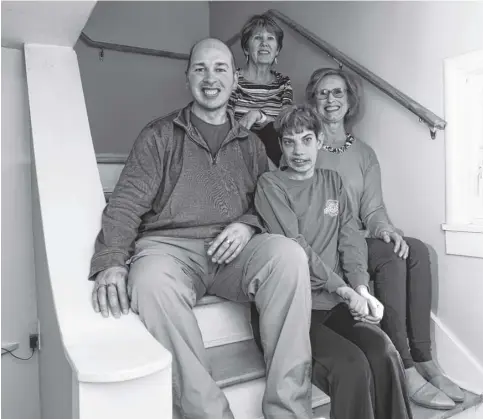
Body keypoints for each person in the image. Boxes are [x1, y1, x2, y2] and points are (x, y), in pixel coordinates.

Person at [88, 38, 314, 419]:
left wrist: (247, 224)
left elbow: (273, 201)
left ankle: (289, 410)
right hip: (171, 249)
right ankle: (207, 413)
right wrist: (111, 259)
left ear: (234, 80)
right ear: (187, 77)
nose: (211, 78)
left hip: (234, 249)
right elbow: (125, 202)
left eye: (221, 68)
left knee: (290, 257)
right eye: (201, 69)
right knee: (148, 280)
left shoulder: (252, 145)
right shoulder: (158, 135)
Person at [306, 67, 464, 410]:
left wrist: (387, 230)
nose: (330, 100)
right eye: (322, 93)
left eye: (338, 93)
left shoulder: (364, 153)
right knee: (390, 259)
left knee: (416, 250)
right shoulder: (306, 146)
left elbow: (373, 209)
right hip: (328, 242)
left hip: (359, 235)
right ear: (313, 102)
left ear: (350, 102)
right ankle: (403, 368)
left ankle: (426, 360)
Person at [253, 104, 413, 419]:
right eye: (289, 141)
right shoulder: (271, 186)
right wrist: (344, 290)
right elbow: (295, 246)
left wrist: (362, 288)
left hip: (335, 303)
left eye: (306, 139)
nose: (298, 150)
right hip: (292, 310)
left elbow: (350, 236)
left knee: (385, 353)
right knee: (351, 366)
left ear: (320, 140)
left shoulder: (333, 182)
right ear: (281, 145)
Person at [229, 14, 293, 166]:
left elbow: (288, 124)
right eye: (257, 38)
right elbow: (223, 124)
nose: (264, 43)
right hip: (238, 156)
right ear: (246, 48)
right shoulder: (232, 79)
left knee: (273, 131)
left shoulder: (283, 83)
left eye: (270, 38)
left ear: (277, 50)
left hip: (274, 158)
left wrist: (258, 116)